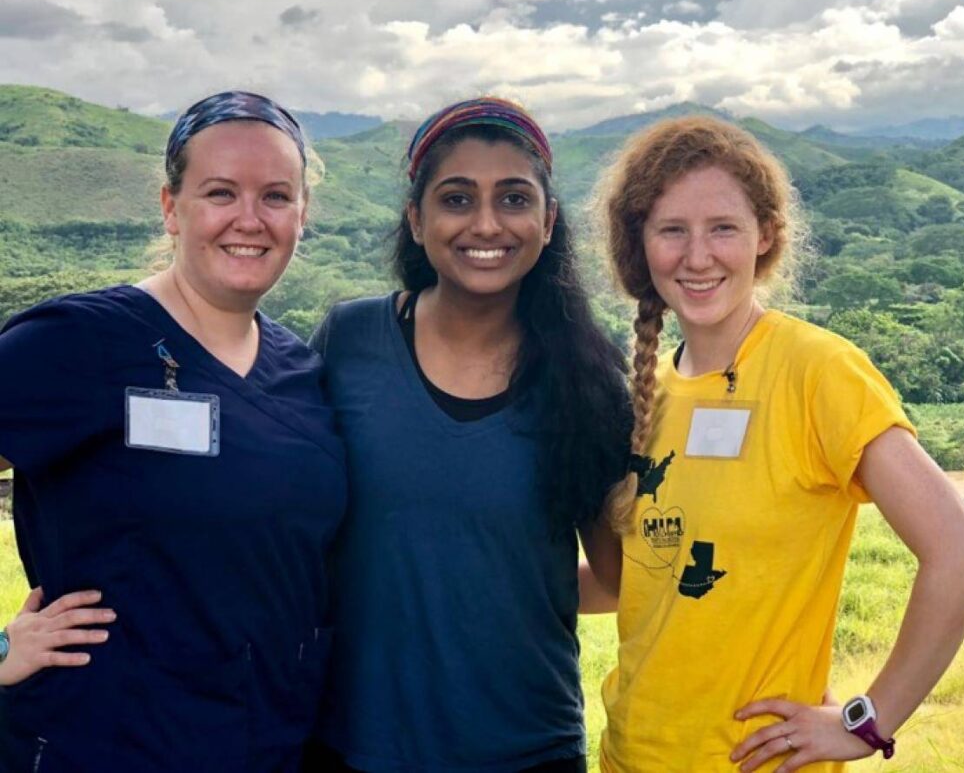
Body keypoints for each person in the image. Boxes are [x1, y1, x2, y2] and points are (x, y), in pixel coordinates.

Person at [595, 116, 964, 773]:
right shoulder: (648, 390)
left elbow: (961, 560)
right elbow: (636, 580)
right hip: (629, 755)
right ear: (640, 245)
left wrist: (867, 721)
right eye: (672, 229)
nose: (698, 256)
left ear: (766, 236)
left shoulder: (818, 371)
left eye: (722, 227)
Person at [0, 91, 347, 773]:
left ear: (302, 213)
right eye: (220, 192)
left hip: (269, 743)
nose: (249, 219)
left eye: (276, 195)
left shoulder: (301, 370)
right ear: (171, 206)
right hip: (102, 745)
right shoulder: (80, 342)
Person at [304, 97, 628, 773]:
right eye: (457, 198)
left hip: (527, 747)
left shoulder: (585, 379)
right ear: (417, 220)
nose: (486, 223)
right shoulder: (350, 341)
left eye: (513, 197)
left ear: (548, 219)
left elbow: (620, 576)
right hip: (352, 744)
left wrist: (499, 584)